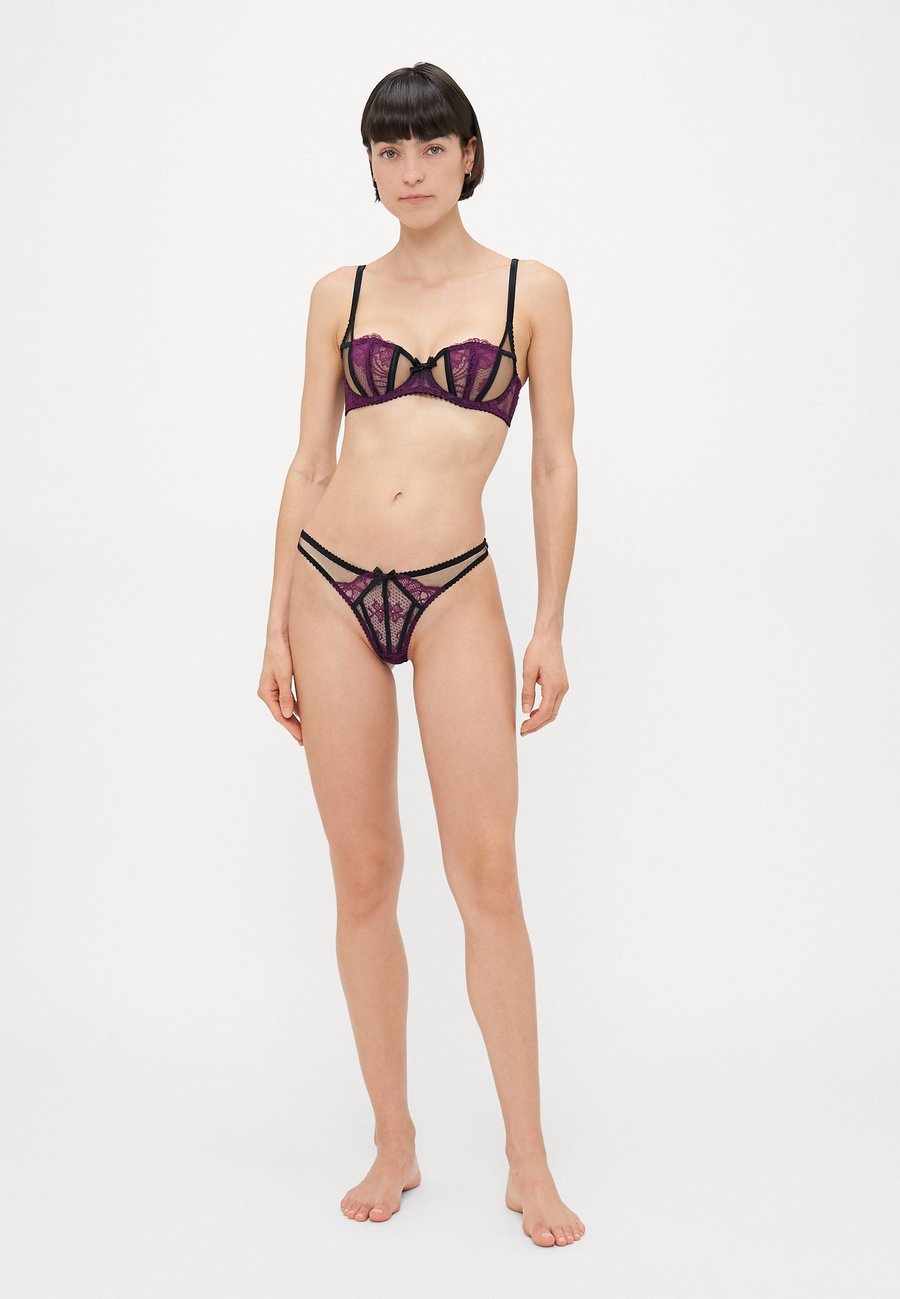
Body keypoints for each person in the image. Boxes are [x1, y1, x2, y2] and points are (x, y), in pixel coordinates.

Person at [258, 61, 582, 1248]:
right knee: (364, 874)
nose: (410, 171)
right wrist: (274, 622)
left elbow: (552, 461)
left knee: (486, 874)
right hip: (330, 587)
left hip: (456, 591)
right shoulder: (336, 294)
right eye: (389, 152)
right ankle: (393, 1140)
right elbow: (309, 462)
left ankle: (527, 1162)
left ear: (468, 156)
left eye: (431, 148)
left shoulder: (531, 290)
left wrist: (549, 624)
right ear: (372, 167)